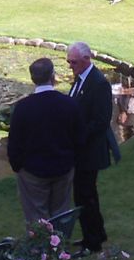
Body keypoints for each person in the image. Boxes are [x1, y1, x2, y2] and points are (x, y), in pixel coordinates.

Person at [7, 57, 85, 226]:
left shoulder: (23, 107)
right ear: (53, 76)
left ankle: (40, 250)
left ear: (32, 78)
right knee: (61, 214)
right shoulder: (69, 104)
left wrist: (17, 166)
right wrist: (72, 161)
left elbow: (14, 143)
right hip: (63, 168)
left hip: (32, 171)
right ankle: (60, 248)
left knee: (36, 217)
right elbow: (79, 138)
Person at [66, 41, 114, 253]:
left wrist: (77, 135)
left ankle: (93, 242)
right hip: (81, 150)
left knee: (85, 196)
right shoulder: (81, 79)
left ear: (87, 59)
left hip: (89, 151)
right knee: (85, 195)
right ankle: (95, 234)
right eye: (68, 61)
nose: (70, 66)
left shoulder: (98, 83)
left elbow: (102, 121)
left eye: (73, 62)